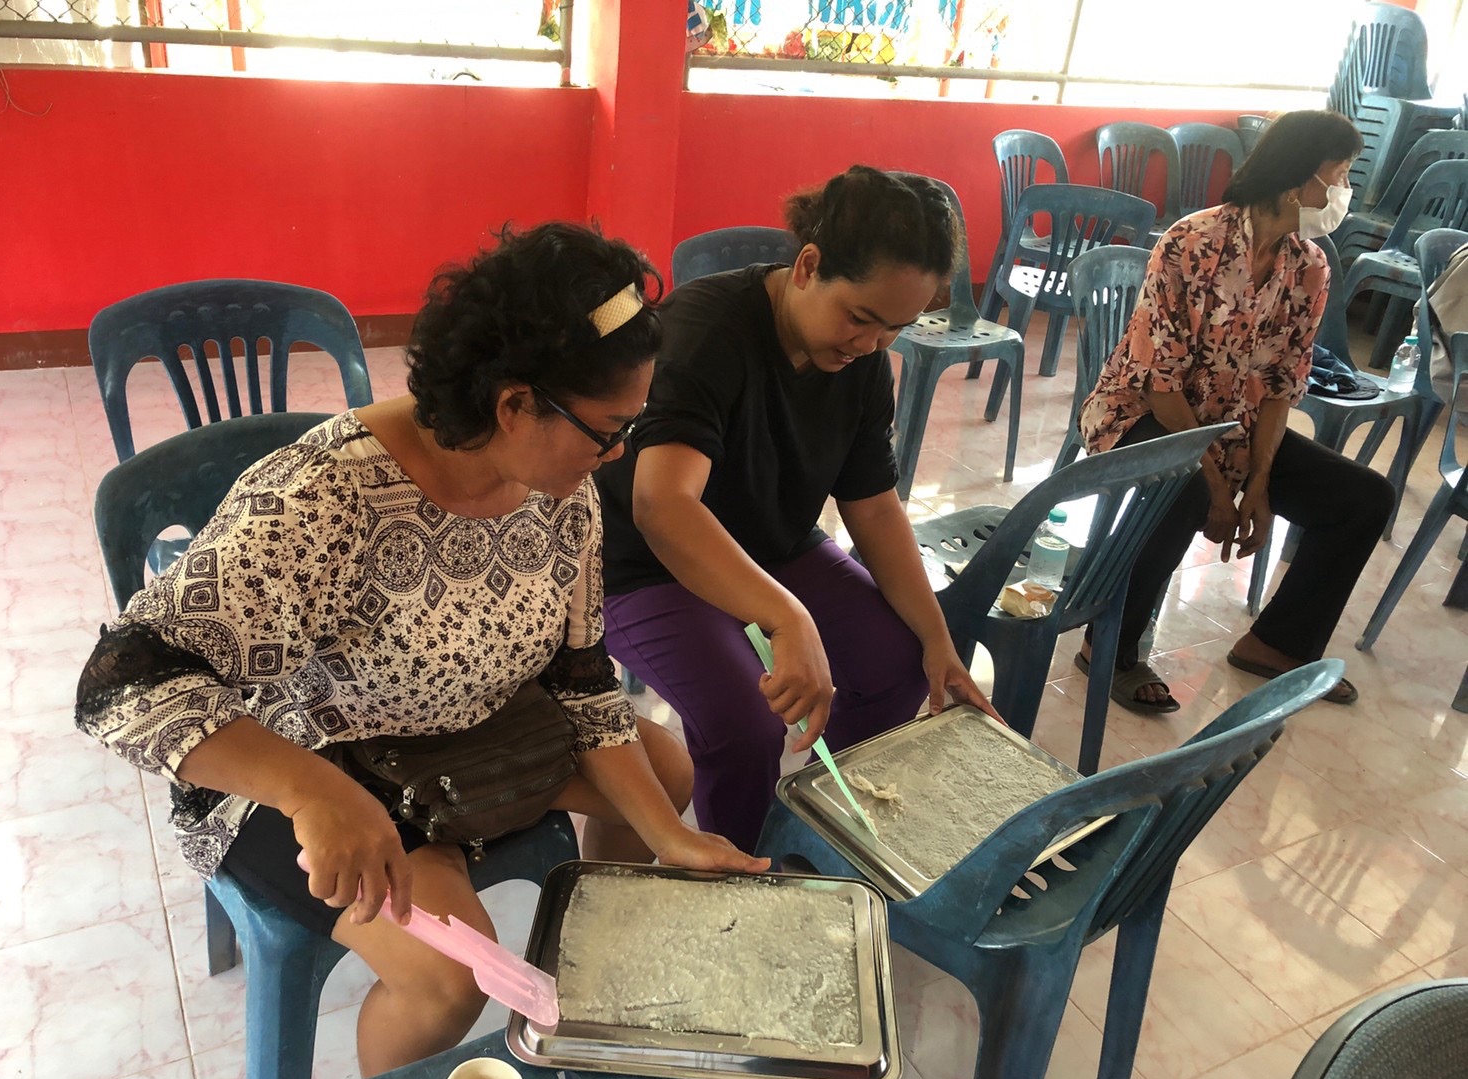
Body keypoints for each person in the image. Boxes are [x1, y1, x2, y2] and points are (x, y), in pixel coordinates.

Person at [75, 223, 767, 1078]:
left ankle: (588, 964)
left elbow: (583, 686)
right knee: (446, 982)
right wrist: (311, 790)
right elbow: (119, 686)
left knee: (664, 774)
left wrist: (670, 837)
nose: (619, 452)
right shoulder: (325, 497)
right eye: (608, 428)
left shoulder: (561, 492)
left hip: (465, 728)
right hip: (316, 755)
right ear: (514, 405)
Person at [596, 165, 998, 853]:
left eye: (894, 329)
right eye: (860, 318)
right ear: (808, 266)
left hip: (773, 541)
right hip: (647, 564)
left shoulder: (860, 361)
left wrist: (938, 637)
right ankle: (743, 870)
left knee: (899, 662)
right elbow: (663, 507)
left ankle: (817, 829)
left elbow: (874, 507)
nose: (870, 345)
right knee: (744, 724)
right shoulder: (706, 332)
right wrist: (787, 616)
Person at [1077, 109, 1394, 712]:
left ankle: (1278, 645)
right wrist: (1221, 487)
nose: (1344, 191)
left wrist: (1261, 482)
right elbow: (1160, 384)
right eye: (1339, 176)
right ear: (1297, 179)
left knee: (1363, 498)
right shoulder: (1192, 242)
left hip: (1234, 424)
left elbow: (1280, 387)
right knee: (1186, 488)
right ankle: (1108, 645)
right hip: (1137, 412)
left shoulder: (1309, 266)